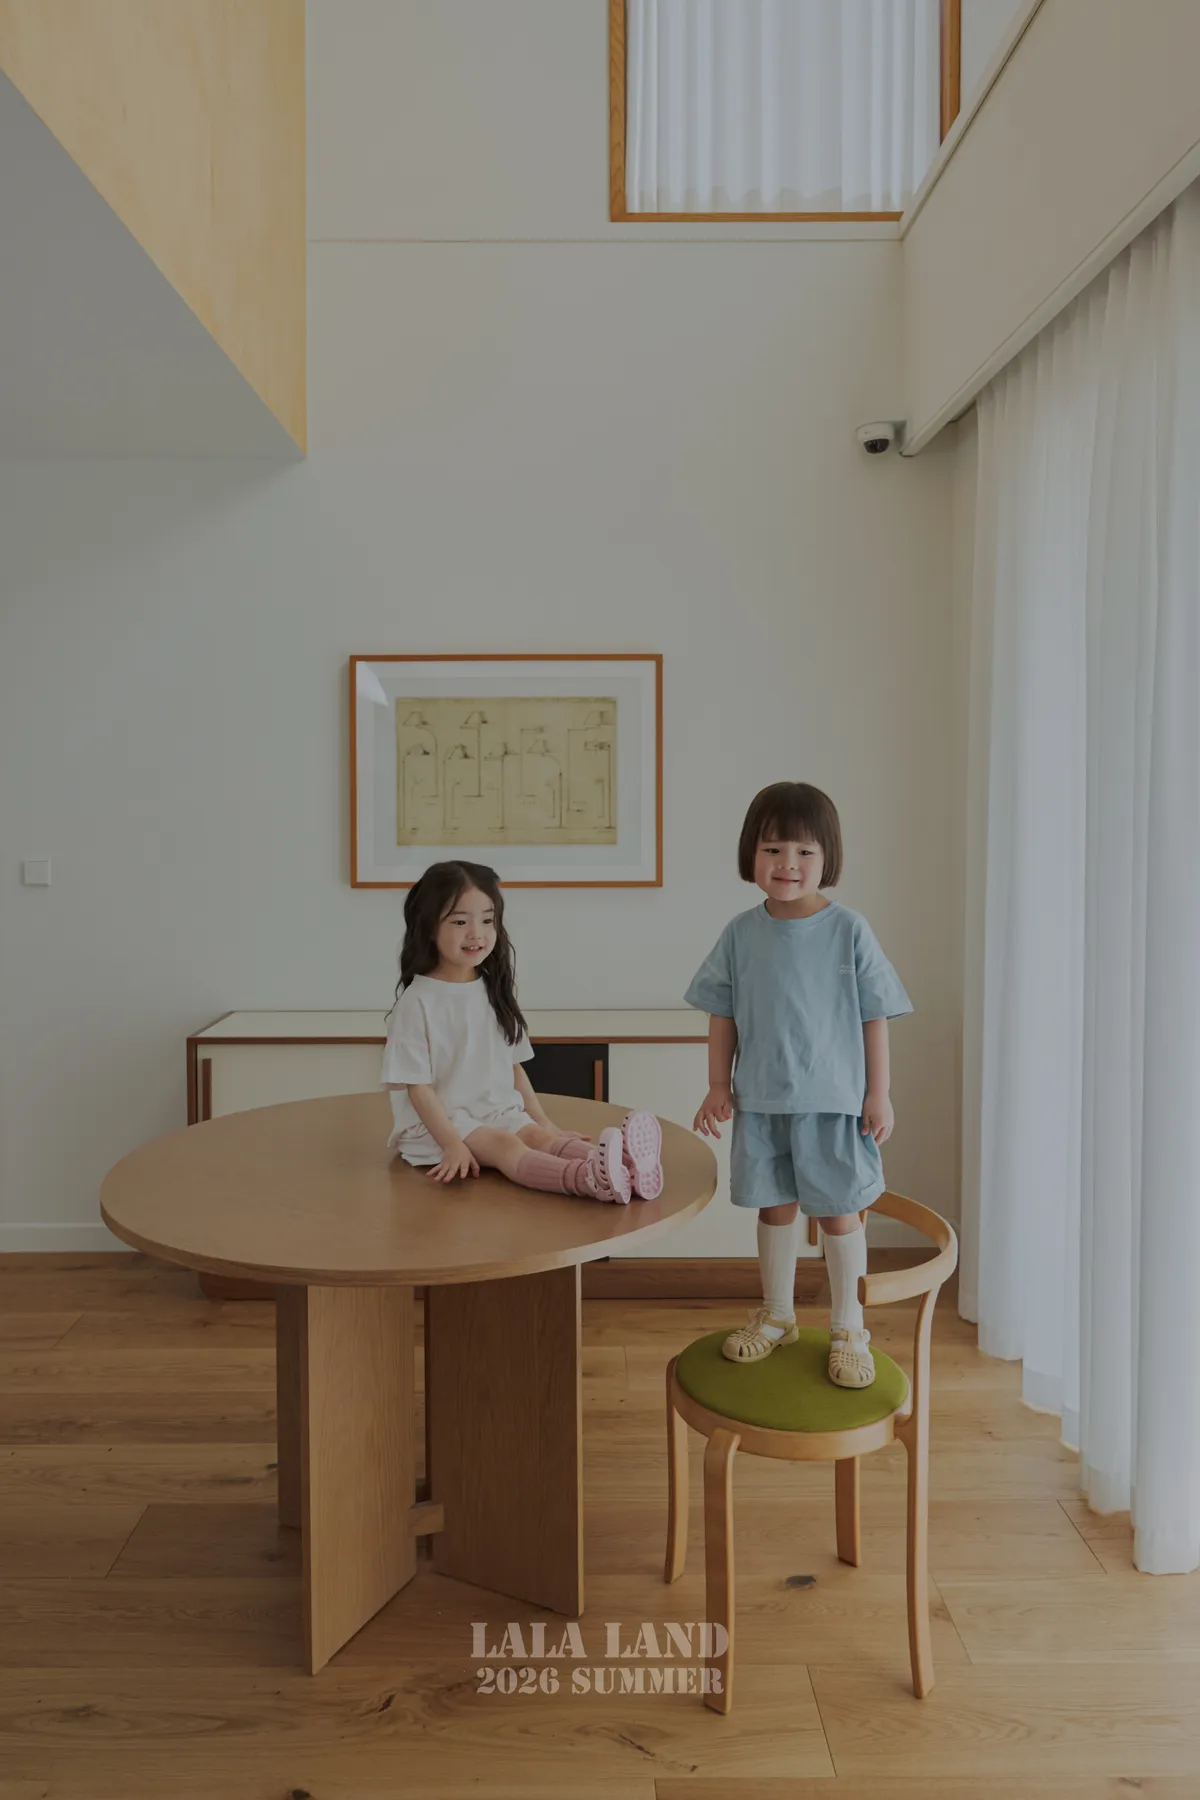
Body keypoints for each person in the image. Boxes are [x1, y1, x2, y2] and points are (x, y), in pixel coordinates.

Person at [686, 783, 912, 1388]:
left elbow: (874, 1016)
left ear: (827, 857)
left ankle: (849, 1328)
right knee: (774, 1207)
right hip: (761, 1099)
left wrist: (878, 1093)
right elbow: (721, 1013)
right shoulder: (740, 933)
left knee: (840, 1214)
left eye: (804, 851)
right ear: (751, 854)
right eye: (773, 849)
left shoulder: (849, 930)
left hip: (835, 1103)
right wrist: (717, 1084)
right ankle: (778, 1315)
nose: (787, 864)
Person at [382, 860, 663, 1205]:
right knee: (506, 1145)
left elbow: (512, 1067)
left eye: (487, 920)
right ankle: (590, 1180)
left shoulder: (492, 988)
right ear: (428, 927)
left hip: (494, 1111)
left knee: (537, 1137)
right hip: (438, 1125)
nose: (476, 933)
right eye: (460, 921)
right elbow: (418, 1088)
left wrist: (545, 1123)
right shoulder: (417, 1002)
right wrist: (452, 1143)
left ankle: (627, 1167)